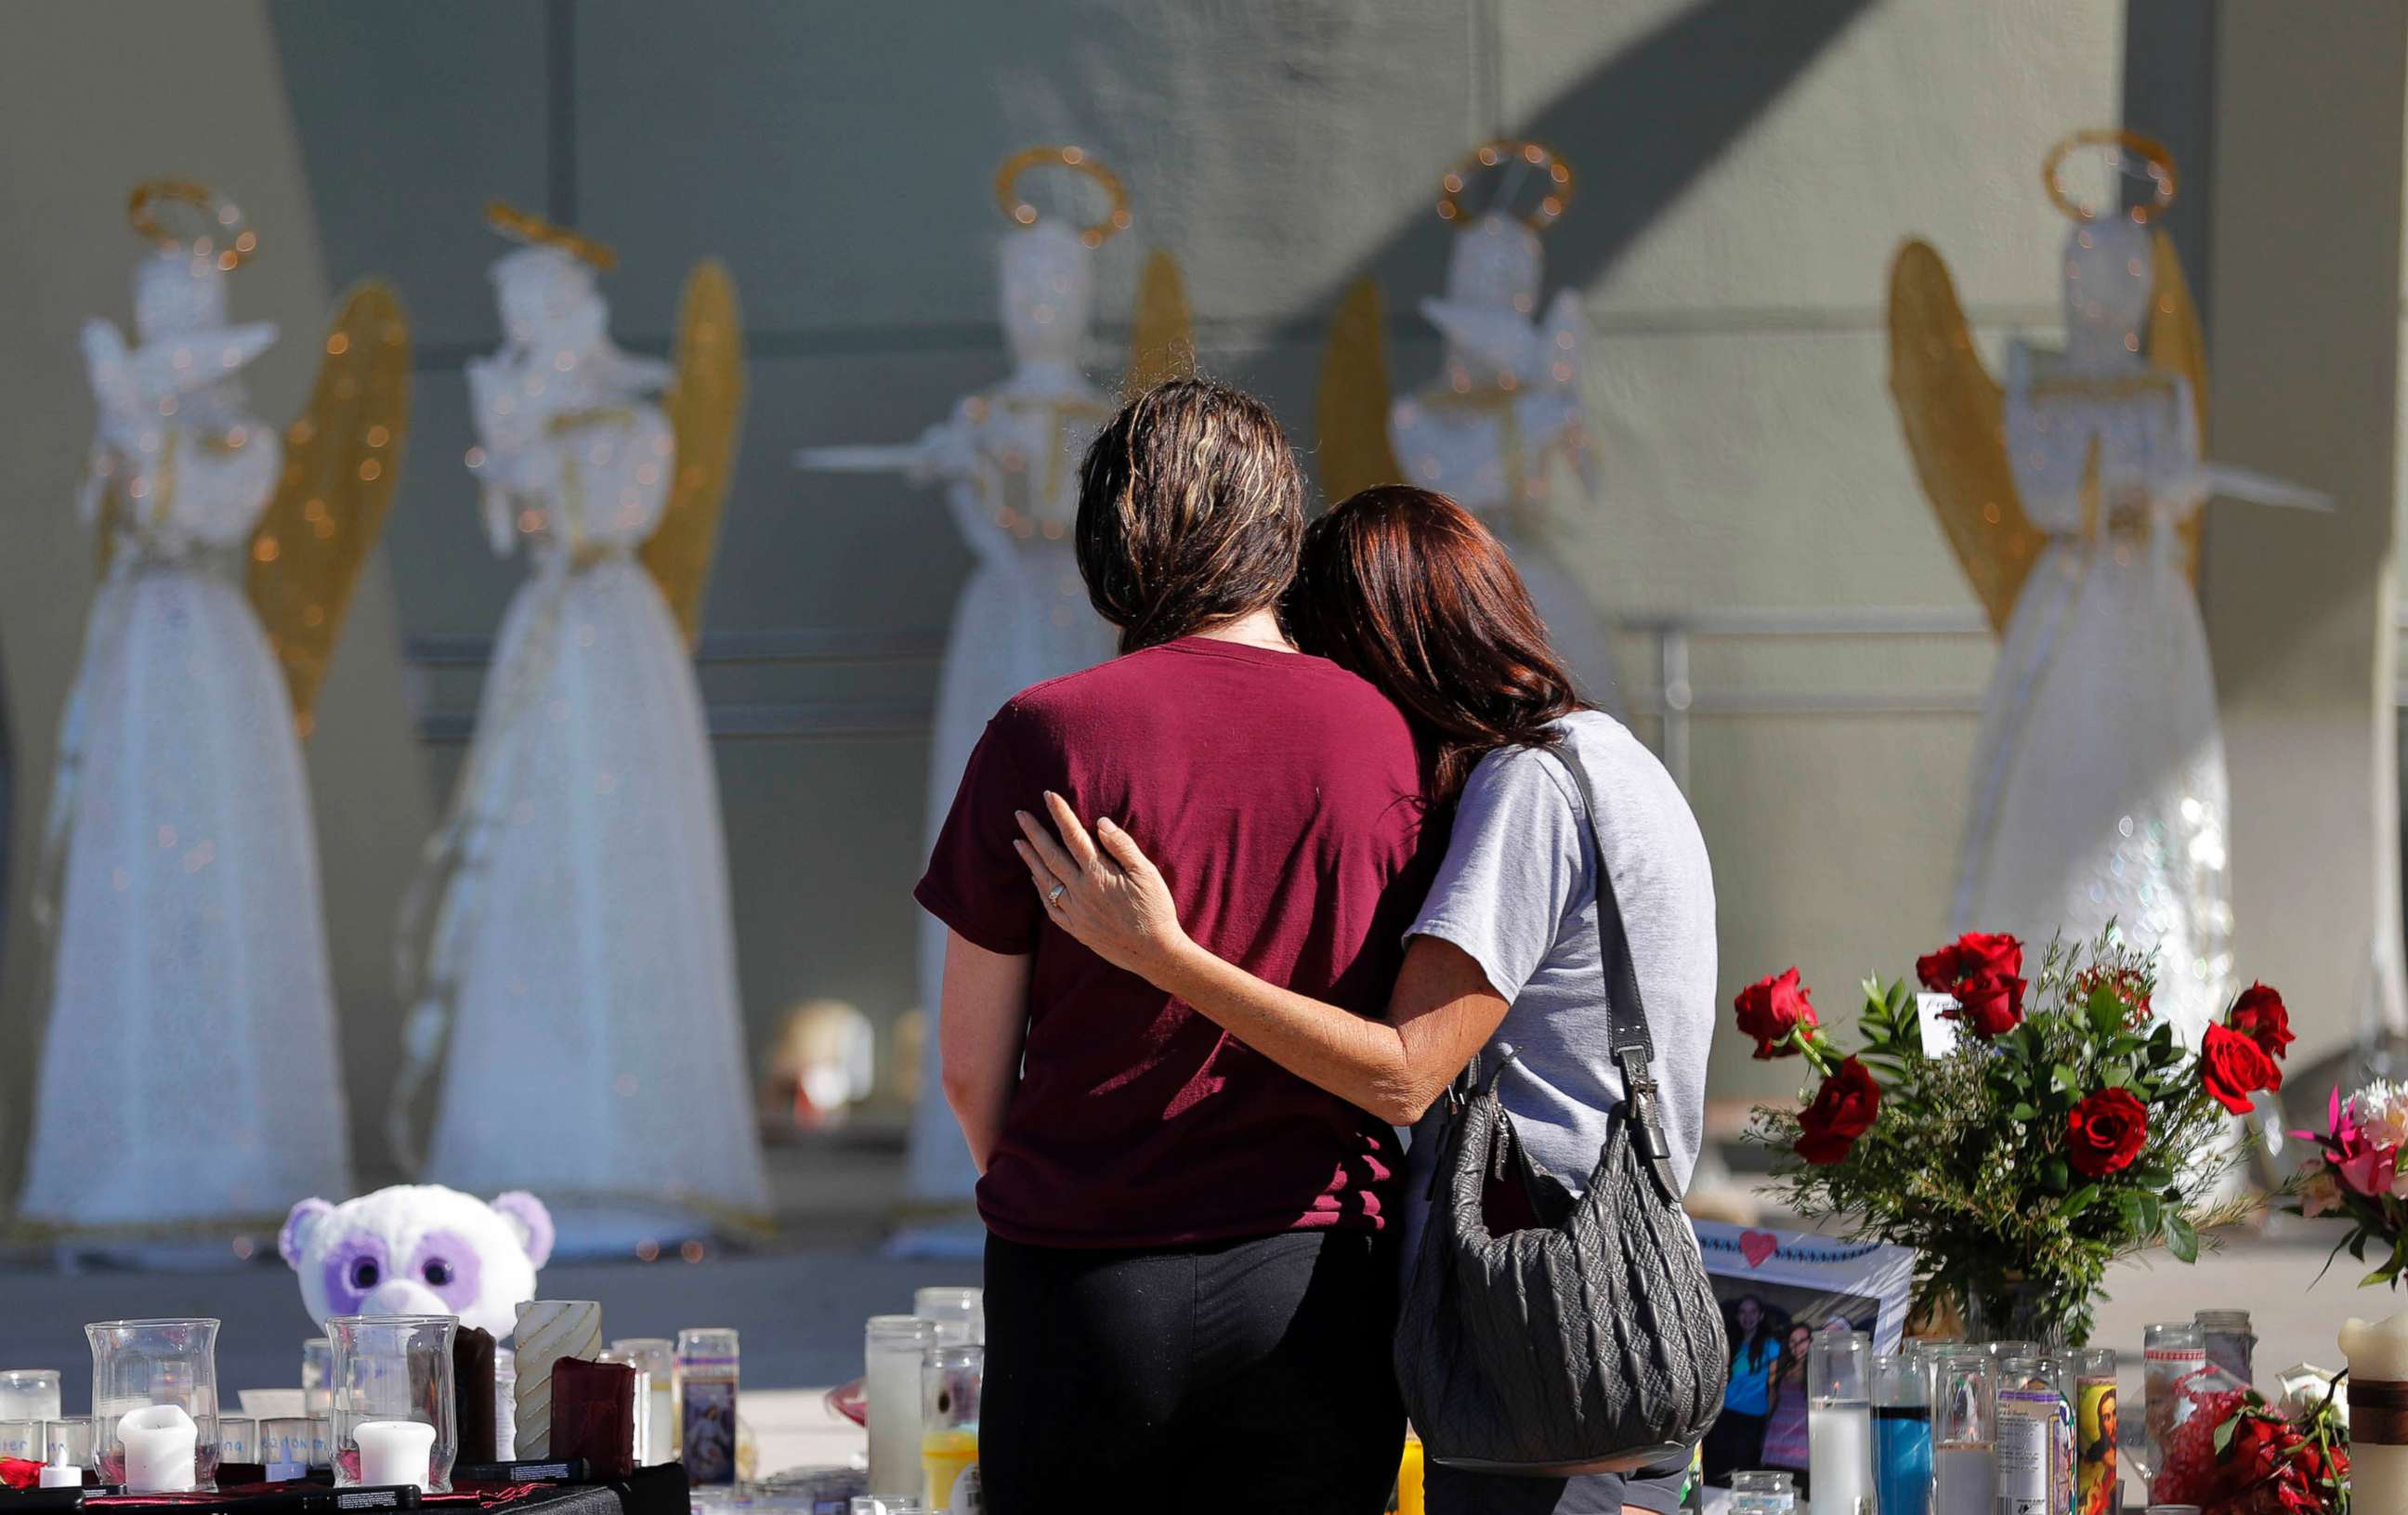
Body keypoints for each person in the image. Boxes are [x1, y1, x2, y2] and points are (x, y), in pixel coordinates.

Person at [1014, 486, 1718, 1515]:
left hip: (1536, 1318)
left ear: (1384, 649)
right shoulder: (1618, 760)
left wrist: (1162, 951)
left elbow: (1403, 1068)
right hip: (1617, 1310)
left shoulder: (1528, 789)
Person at [913, 379, 1434, 1513]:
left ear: (1108, 540)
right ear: (1276, 533)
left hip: (1086, 1267)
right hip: (1316, 1272)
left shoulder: (1045, 732)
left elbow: (966, 1064)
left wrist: (1057, 1185)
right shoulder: (1379, 733)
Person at [1704, 1296, 1782, 1482]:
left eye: (1753, 1311)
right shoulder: (1731, 1341)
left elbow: (1773, 1384)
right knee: (1717, 1468)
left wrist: (1767, 1417)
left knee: (1744, 1472)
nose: (1748, 1316)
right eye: (1743, 1312)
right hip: (1726, 1413)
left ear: (1761, 1315)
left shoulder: (1771, 1345)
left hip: (1753, 1417)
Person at [1760, 1324, 1815, 1484]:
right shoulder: (1784, 1367)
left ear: (1811, 1342)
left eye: (1802, 1340)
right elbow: (1772, 1402)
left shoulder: (1817, 1369)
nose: (1797, 1346)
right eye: (1792, 1341)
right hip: (1776, 1440)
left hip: (1801, 1444)